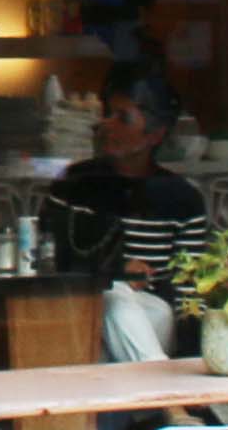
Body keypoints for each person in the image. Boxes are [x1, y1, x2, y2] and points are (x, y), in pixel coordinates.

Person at [52, 78, 218, 357]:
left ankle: (158, 389)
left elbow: (189, 292)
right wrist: (117, 269)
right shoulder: (75, 184)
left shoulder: (180, 198)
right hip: (83, 312)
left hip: (151, 318)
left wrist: (195, 358)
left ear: (154, 135)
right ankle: (166, 396)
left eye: (123, 118)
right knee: (113, 295)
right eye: (107, 115)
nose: (107, 125)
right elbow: (53, 259)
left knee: (128, 309)